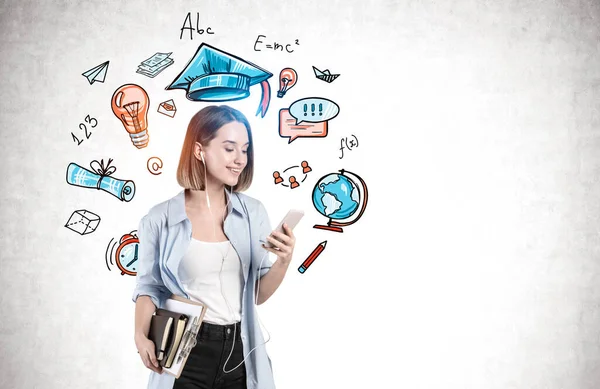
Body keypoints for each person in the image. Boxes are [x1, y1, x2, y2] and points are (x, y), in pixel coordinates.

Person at [132, 105, 296, 389]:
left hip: (241, 349)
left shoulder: (253, 213)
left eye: (245, 150)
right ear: (199, 151)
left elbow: (258, 295)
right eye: (229, 149)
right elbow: (149, 288)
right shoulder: (159, 219)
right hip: (184, 351)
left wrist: (283, 261)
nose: (240, 160)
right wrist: (140, 335)